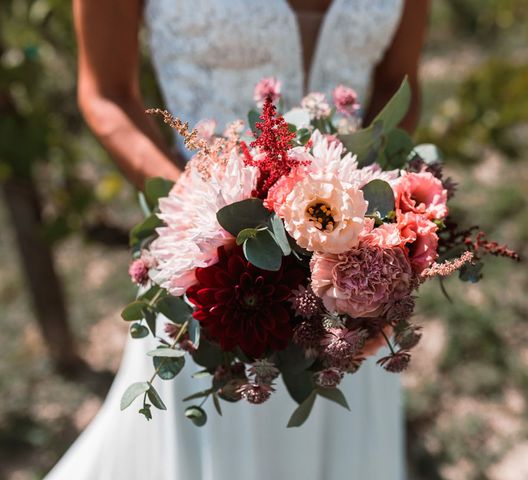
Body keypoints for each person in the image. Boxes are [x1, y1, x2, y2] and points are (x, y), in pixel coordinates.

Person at [46, 1, 429, 479]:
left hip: (348, 281)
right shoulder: (201, 241)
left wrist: (380, 233)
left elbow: (400, 81)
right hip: (208, 270)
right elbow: (106, 93)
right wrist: (197, 210)